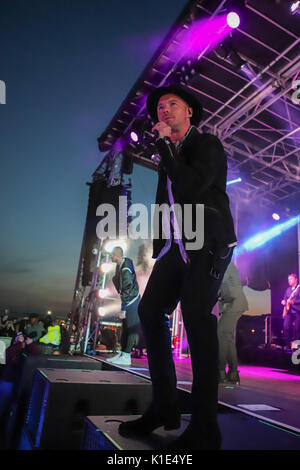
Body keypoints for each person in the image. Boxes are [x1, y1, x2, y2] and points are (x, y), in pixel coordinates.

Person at [118, 84, 237, 450]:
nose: (164, 110)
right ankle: (164, 406)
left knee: (197, 317)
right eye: (160, 107)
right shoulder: (167, 156)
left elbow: (188, 188)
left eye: (173, 104)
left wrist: (166, 147)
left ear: (189, 113)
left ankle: (205, 426)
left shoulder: (207, 146)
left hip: (207, 241)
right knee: (151, 310)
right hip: (176, 245)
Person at [107, 246, 140, 366]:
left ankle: (126, 356)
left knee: (131, 328)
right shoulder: (120, 265)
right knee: (125, 328)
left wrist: (124, 308)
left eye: (111, 254)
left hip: (132, 300)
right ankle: (122, 353)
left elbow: (127, 288)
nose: (110, 257)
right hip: (128, 299)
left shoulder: (125, 268)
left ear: (116, 255)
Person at [217, 262, 248, 385]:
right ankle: (233, 374)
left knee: (220, 334)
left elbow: (220, 282)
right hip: (233, 304)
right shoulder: (224, 262)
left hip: (234, 304)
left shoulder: (225, 262)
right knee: (227, 337)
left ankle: (220, 372)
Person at [281, 273, 300, 348]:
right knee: (286, 327)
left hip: (298, 311)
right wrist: (283, 301)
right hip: (289, 312)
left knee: (297, 329)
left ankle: (296, 346)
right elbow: (285, 298)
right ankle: (288, 345)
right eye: (288, 279)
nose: (289, 281)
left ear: (296, 279)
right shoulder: (288, 289)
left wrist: (294, 302)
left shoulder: (299, 288)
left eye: (291, 279)